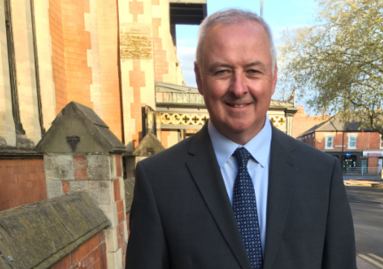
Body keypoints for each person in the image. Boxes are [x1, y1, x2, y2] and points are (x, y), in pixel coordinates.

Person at [126, 9, 356, 269]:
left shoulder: (322, 174)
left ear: (273, 77)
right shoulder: (158, 179)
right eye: (222, 71)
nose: (238, 88)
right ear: (200, 78)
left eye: (253, 71)